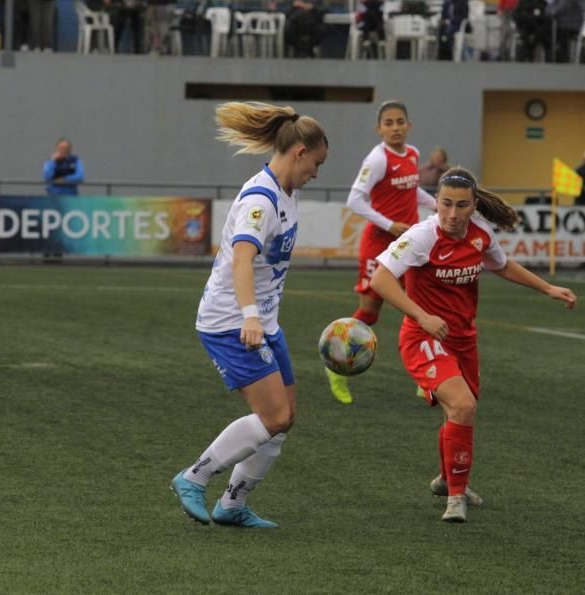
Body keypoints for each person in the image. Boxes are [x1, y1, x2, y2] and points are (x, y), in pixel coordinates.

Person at [369, 166, 577, 522]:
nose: (452, 214)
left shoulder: (480, 235)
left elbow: (502, 265)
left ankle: (445, 479)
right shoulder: (422, 236)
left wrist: (547, 288)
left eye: (461, 206)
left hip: (463, 340)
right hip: (422, 337)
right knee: (463, 406)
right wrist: (422, 316)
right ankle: (456, 497)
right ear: (436, 202)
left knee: (459, 412)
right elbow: (380, 278)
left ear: (474, 205)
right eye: (446, 204)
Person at [171, 102, 328, 528]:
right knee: (274, 416)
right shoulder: (261, 200)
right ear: (298, 153)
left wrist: (261, 318)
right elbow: (241, 260)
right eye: (316, 163)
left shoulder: (286, 193)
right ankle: (193, 477)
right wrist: (249, 317)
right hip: (231, 322)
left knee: (283, 420)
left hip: (263, 321)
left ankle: (233, 504)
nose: (317, 173)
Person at [325, 100, 436, 405]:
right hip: (379, 245)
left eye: (400, 121)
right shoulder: (377, 159)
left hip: (410, 245)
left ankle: (426, 377)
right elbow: (355, 200)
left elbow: (411, 189)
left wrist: (436, 204)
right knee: (370, 312)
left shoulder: (412, 153)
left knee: (419, 308)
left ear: (408, 125)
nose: (395, 127)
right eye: (388, 123)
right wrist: (390, 225)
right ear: (379, 129)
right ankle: (337, 363)